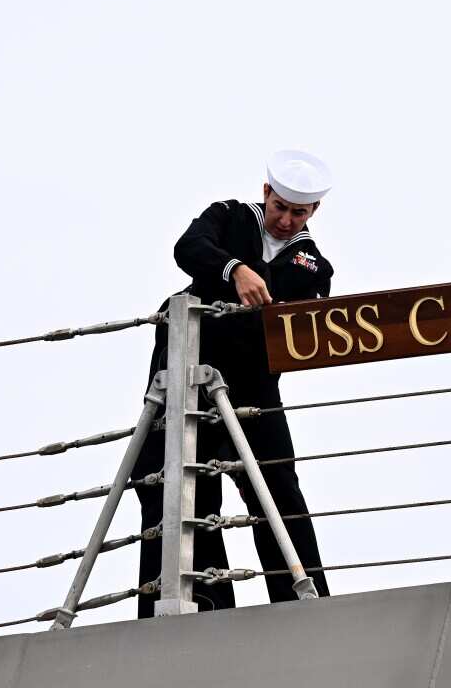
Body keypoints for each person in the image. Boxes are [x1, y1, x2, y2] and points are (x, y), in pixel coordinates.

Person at [132, 149, 335, 616]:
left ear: (313, 212)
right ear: (266, 193)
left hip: (253, 388)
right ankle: (202, 598)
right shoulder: (229, 217)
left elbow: (300, 323)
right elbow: (189, 248)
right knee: (175, 483)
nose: (285, 219)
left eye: (297, 212)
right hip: (185, 379)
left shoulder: (313, 266)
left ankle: (303, 600)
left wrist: (230, 279)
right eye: (280, 206)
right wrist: (233, 270)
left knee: (278, 487)